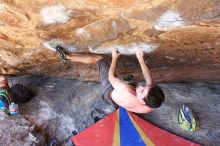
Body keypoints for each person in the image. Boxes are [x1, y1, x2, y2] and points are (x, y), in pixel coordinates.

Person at [66, 48, 165, 113]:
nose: (142, 87)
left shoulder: (126, 90)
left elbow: (111, 76)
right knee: (136, 86)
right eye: (146, 87)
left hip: (109, 92)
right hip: (119, 102)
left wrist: (114, 58)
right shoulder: (150, 106)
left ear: (143, 101)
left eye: (142, 91)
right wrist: (140, 58)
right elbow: (149, 80)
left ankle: (67, 57)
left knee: (99, 59)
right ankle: (125, 83)